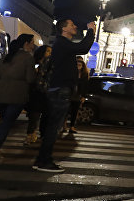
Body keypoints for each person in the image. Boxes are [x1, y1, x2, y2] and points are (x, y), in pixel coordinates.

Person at [33, 19, 95, 172]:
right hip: (61, 89)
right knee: (54, 127)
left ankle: (43, 159)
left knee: (54, 126)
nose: (75, 26)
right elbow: (83, 47)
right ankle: (43, 161)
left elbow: (80, 48)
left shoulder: (63, 44)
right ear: (64, 29)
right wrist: (91, 31)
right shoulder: (62, 42)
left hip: (60, 89)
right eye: (72, 25)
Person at [0, 34, 36, 166]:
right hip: (17, 96)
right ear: (26, 43)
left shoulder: (6, 57)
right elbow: (30, 79)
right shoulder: (28, 58)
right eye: (32, 42)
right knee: (5, 125)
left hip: (1, 96)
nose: (33, 45)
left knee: (3, 123)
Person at [23, 45, 52, 146]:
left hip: (45, 93)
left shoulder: (50, 64)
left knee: (44, 116)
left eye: (50, 52)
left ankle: (39, 134)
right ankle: (30, 135)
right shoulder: (35, 63)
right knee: (34, 116)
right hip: (35, 92)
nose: (49, 53)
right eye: (47, 51)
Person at [65, 56, 89, 134]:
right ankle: (64, 125)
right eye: (77, 65)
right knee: (66, 111)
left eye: (80, 65)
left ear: (82, 66)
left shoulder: (84, 75)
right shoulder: (71, 73)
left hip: (77, 96)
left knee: (74, 112)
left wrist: (83, 96)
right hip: (70, 94)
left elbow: (85, 87)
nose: (78, 66)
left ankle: (72, 126)